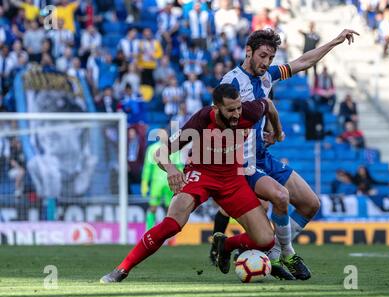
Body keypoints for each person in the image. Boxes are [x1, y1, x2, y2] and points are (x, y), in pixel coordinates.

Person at [212, 27, 360, 280]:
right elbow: (216, 120)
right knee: (280, 197)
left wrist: (334, 41)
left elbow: (303, 61)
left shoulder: (268, 76)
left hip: (262, 157)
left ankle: (244, 248)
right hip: (241, 165)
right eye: (262, 56)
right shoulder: (231, 82)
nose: (266, 62)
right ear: (249, 52)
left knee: (310, 204)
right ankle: (286, 255)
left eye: (270, 57)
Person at [100, 84, 281, 283]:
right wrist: (171, 170)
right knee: (172, 224)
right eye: (230, 110)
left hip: (232, 179)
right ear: (216, 108)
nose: (237, 114)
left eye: (238, 108)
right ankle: (122, 269)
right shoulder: (202, 119)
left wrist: (275, 130)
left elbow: (269, 105)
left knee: (266, 240)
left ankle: (226, 245)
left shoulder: (250, 111)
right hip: (201, 175)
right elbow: (160, 152)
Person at [141, 129, 183, 231]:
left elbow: (179, 166)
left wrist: (181, 179)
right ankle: (149, 231)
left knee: (170, 210)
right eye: (160, 134)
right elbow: (147, 168)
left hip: (171, 183)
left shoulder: (174, 149)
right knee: (153, 208)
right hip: (156, 184)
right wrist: (145, 182)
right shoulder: (152, 149)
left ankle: (169, 235)